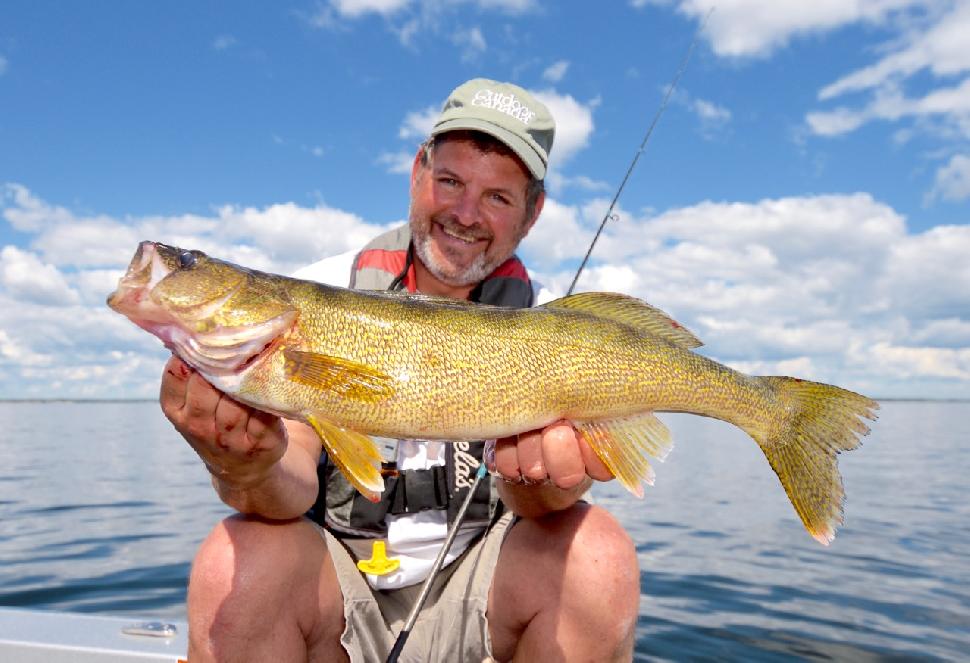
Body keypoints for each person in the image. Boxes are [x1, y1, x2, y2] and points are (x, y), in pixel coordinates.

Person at [160, 78, 640, 662]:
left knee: (598, 555)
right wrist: (248, 465)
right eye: (451, 181)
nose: (465, 213)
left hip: (483, 599)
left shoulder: (544, 326)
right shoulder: (325, 292)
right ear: (418, 172)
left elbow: (539, 512)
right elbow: (288, 485)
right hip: (334, 596)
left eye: (497, 196)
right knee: (235, 558)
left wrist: (541, 485)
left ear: (531, 213)